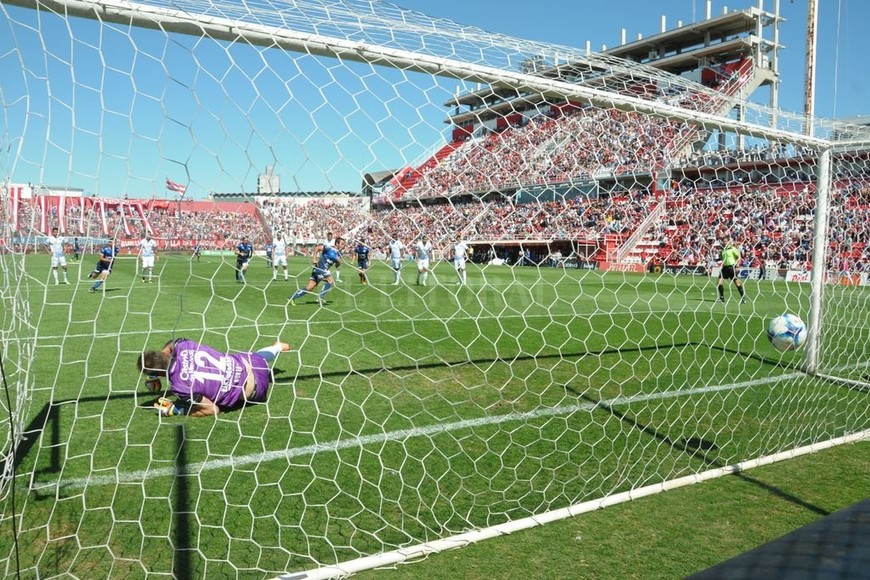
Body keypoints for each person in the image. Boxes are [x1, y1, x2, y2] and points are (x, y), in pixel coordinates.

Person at [137, 337, 291, 417]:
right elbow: (173, 342)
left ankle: (276, 348)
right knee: (242, 357)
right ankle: (277, 347)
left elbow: (212, 409)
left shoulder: (179, 387)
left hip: (256, 392)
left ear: (157, 374)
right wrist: (161, 359)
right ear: (163, 354)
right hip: (252, 364)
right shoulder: (184, 346)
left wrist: (175, 409)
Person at [289, 237, 344, 305]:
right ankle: (321, 297)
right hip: (320, 269)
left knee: (309, 287)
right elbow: (317, 248)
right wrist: (314, 258)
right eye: (342, 244)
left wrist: (339, 262)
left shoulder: (338, 254)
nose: (343, 246)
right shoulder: (329, 248)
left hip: (320, 270)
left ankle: (292, 297)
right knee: (330, 281)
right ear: (337, 243)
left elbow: (337, 266)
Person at [717, 238, 747, 304]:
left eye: (725, 241)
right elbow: (722, 258)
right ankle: (721, 298)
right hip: (724, 267)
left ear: (728, 242)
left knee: (737, 283)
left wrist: (737, 266)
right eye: (723, 241)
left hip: (731, 267)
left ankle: (743, 298)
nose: (724, 242)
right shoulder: (723, 250)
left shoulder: (732, 249)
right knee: (719, 282)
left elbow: (738, 257)